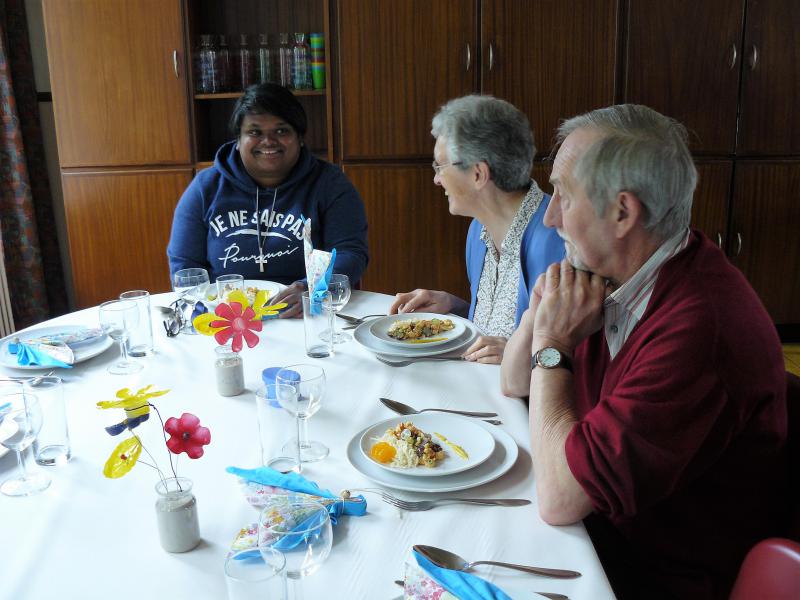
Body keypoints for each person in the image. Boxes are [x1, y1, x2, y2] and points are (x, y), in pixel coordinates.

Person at [500, 104, 788, 598]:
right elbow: (513, 383)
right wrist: (540, 317)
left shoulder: (701, 327)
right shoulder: (611, 275)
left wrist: (552, 345)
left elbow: (560, 499)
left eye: (563, 197)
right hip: (598, 535)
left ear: (623, 213)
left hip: (653, 574)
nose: (549, 218)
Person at [167, 83, 369, 317]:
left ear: (300, 138)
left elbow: (350, 253)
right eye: (255, 132)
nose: (268, 141)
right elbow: (185, 266)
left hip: (307, 313)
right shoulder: (205, 188)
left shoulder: (331, 184)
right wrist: (207, 312)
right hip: (224, 317)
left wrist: (308, 288)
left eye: (281, 131)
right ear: (238, 139)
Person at [389, 95, 564, 363]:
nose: (436, 179)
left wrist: (525, 358)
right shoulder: (478, 231)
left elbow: (580, 361)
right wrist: (454, 306)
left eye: (440, 166)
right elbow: (495, 333)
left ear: (478, 174)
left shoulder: (557, 240)